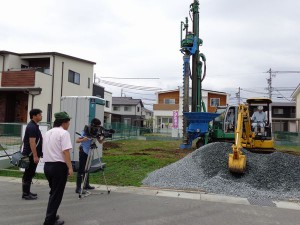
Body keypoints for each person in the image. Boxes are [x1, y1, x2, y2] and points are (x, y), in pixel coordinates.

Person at [43, 111, 73, 225]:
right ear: (64, 122)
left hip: (47, 166)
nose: (68, 124)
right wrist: (70, 167)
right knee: (56, 194)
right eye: (68, 122)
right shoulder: (64, 133)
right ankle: (49, 221)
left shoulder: (48, 132)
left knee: (53, 192)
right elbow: (66, 152)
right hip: (58, 167)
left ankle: (52, 215)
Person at [75, 118, 104, 194]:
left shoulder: (96, 132)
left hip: (89, 152)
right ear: (93, 125)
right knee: (81, 169)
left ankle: (86, 184)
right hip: (83, 151)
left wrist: (104, 136)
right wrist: (83, 139)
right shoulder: (86, 130)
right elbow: (77, 140)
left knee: (87, 168)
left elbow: (100, 142)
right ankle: (78, 188)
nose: (98, 128)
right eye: (97, 126)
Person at [21, 108, 43, 200]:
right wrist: (35, 155)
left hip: (30, 154)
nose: (41, 116)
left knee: (29, 173)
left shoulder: (33, 125)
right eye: (39, 114)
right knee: (28, 173)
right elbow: (32, 142)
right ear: (34, 116)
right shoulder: (32, 127)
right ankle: (25, 194)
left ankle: (27, 191)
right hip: (30, 155)